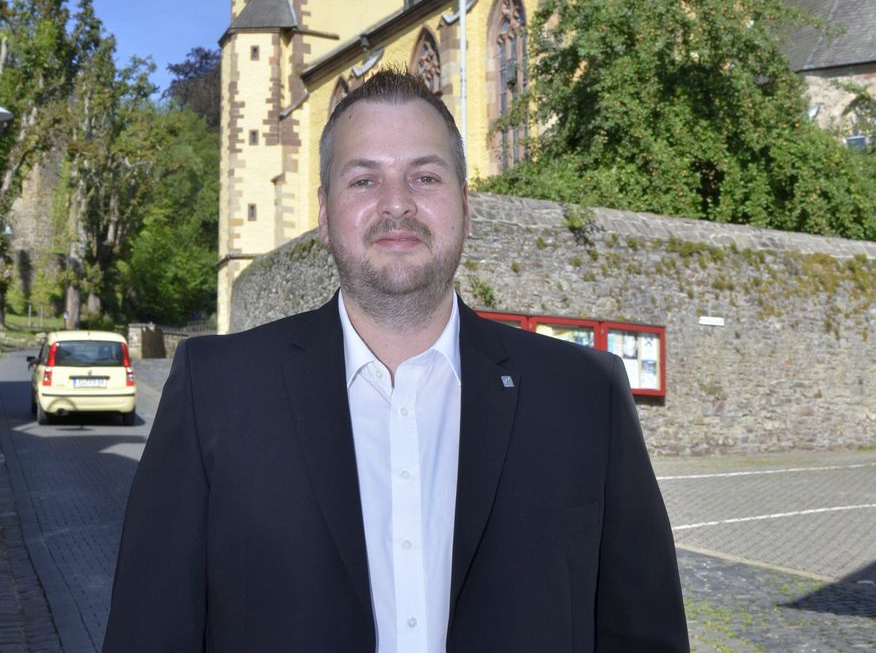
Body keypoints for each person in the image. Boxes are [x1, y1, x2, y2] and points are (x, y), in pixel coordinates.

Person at [103, 68, 689, 653]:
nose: (397, 205)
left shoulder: (585, 395)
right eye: (363, 181)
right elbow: (149, 631)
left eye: (425, 177)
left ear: (464, 204)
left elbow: (644, 635)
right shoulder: (218, 391)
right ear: (325, 216)